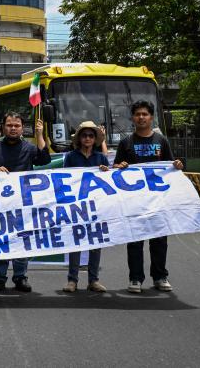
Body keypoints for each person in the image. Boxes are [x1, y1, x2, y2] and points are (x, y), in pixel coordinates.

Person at [113, 100, 183, 293]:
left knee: (159, 240)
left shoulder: (161, 141)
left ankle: (160, 277)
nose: (141, 117)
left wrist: (177, 165)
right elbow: (116, 169)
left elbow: (170, 166)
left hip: (158, 200)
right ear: (133, 118)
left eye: (145, 114)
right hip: (134, 201)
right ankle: (135, 278)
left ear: (151, 117)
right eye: (137, 114)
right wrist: (119, 167)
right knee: (135, 240)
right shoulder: (126, 143)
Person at [0, 112, 51, 293]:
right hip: (0, 204)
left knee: (23, 242)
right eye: (9, 125)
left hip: (24, 204)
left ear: (22, 128)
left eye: (17, 125)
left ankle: (20, 277)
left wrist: (39, 135)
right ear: (3, 127)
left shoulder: (29, 148)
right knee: (1, 241)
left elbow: (45, 159)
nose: (13, 128)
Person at [61, 121, 109, 293]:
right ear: (79, 138)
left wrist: (105, 172)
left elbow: (108, 181)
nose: (87, 138)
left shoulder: (101, 158)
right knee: (76, 243)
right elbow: (65, 179)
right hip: (77, 206)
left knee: (96, 243)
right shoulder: (71, 157)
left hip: (96, 205)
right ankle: (72, 280)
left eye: (91, 135)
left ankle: (93, 280)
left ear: (95, 139)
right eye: (84, 135)